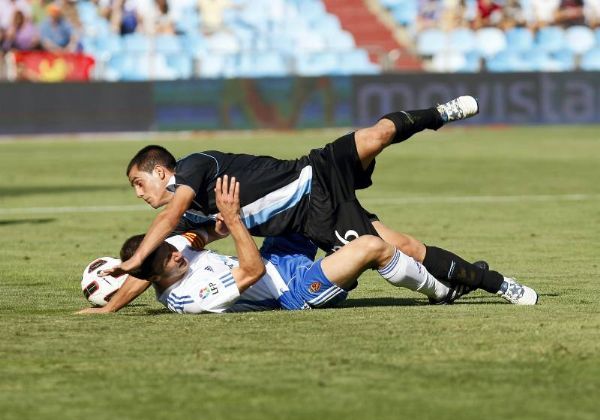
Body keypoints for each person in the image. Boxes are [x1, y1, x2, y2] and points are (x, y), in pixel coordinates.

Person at [100, 96, 537, 309]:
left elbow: (171, 218)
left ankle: (439, 115)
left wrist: (135, 253)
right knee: (403, 245)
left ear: (161, 172)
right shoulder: (185, 222)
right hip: (313, 219)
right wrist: (111, 302)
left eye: (139, 184)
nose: (141, 195)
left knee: (374, 136)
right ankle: (492, 282)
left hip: (314, 172)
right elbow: (154, 269)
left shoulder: (193, 168)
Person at [94, 176, 534, 316]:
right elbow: (250, 273)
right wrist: (233, 220)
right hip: (292, 291)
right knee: (368, 248)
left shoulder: (165, 262)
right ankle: (444, 290)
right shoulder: (191, 299)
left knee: (307, 206)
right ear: (163, 272)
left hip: (275, 259)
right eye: (173, 253)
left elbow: (149, 268)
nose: (179, 250)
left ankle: (394, 240)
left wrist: (108, 306)